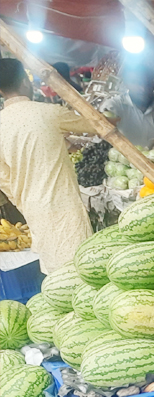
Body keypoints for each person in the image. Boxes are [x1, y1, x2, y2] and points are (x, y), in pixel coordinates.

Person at [0, 58, 94, 273]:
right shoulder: (47, 112)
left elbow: (2, 177)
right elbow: (95, 124)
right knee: (79, 265)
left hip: (33, 207)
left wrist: (21, 201)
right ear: (25, 82)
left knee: (54, 272)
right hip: (64, 203)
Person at [111, 62, 154, 148]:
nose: (142, 89)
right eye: (136, 83)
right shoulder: (115, 106)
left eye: (147, 83)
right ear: (126, 84)